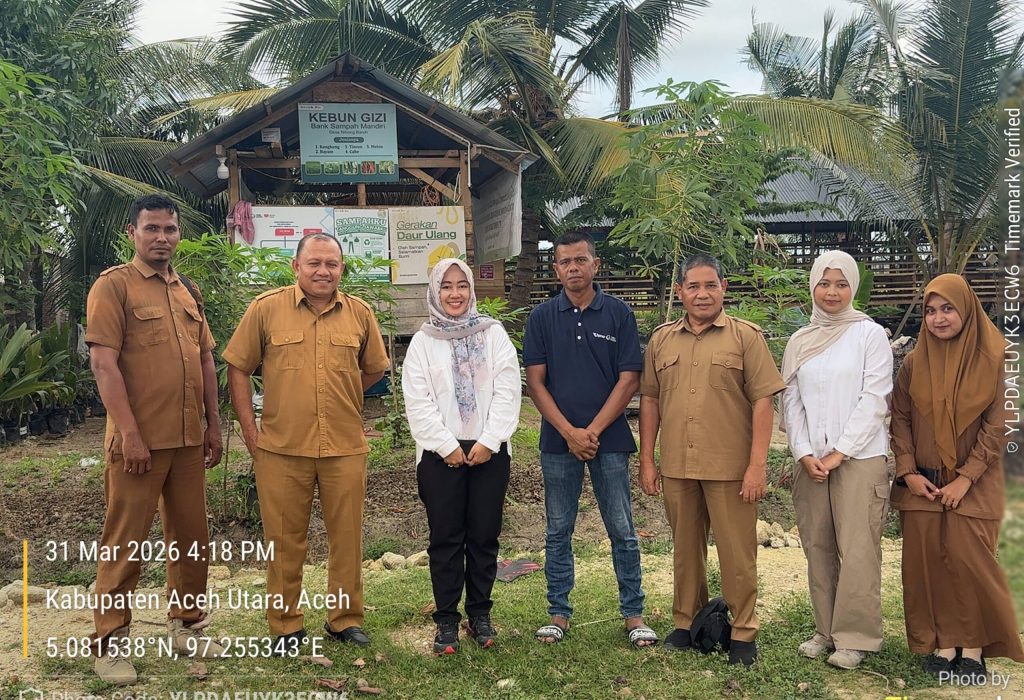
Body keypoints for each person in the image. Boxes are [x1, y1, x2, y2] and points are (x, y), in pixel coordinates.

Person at [224, 233, 389, 654]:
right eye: (314, 263)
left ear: (342, 269)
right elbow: (238, 368)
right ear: (296, 267)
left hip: (345, 447)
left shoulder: (360, 314)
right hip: (281, 448)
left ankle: (344, 619)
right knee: (283, 540)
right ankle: (285, 625)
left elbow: (371, 371)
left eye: (332, 264)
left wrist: (345, 394)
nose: (323, 271)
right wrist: (250, 430)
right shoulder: (266, 309)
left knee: (347, 537)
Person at [85, 194, 224, 685]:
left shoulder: (188, 290)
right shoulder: (114, 287)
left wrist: (214, 422)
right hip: (138, 443)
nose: (161, 237)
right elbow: (103, 363)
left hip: (188, 440)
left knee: (191, 539)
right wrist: (129, 434)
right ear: (132, 233)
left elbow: (205, 358)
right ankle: (110, 643)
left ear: (178, 234)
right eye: (151, 229)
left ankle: (187, 625)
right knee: (124, 543)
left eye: (169, 229)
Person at [639, 254, 785, 666]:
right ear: (679, 291)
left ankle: (743, 632)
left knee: (738, 554)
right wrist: (647, 460)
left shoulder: (746, 338)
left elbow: (763, 401)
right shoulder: (662, 340)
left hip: (730, 469)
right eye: (693, 286)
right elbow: (650, 400)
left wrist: (757, 466)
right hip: (677, 466)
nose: (702, 294)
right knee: (685, 550)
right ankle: (686, 623)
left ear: (724, 288)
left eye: (710, 285)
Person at [523, 231, 657, 648]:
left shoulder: (618, 314)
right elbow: (535, 382)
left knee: (622, 528)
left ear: (595, 265)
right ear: (557, 268)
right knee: (558, 529)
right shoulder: (542, 318)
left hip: (610, 440)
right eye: (565, 262)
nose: (573, 268)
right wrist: (569, 432)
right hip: (557, 441)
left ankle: (633, 613)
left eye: (581, 260)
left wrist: (592, 432)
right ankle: (558, 613)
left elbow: (629, 379)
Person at [890, 273, 1024, 682]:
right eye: (930, 311)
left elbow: (1001, 423)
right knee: (927, 561)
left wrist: (965, 478)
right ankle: (943, 644)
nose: (938, 318)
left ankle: (975, 647)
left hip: (976, 482)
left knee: (970, 561)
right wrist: (908, 471)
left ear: (966, 309)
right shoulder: (915, 362)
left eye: (947, 308)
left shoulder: (1000, 357)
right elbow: (900, 418)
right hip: (924, 485)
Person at [780, 250, 894, 670]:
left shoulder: (869, 335)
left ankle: (857, 637)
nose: (832, 292)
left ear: (853, 288)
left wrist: (839, 452)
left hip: (860, 458)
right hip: (812, 462)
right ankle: (825, 630)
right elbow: (791, 402)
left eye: (841, 284)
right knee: (818, 545)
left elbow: (875, 398)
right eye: (824, 283)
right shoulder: (800, 339)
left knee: (859, 547)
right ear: (813, 286)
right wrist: (805, 453)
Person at [402, 258, 521, 654]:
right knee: (446, 538)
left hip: (490, 450)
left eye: (462, 286)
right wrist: (448, 446)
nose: (455, 294)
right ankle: (447, 620)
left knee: (484, 536)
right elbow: (417, 402)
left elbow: (508, 390)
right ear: (435, 292)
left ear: (472, 290)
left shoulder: (493, 334)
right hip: (440, 455)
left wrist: (489, 440)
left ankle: (480, 614)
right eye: (447, 287)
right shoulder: (422, 342)